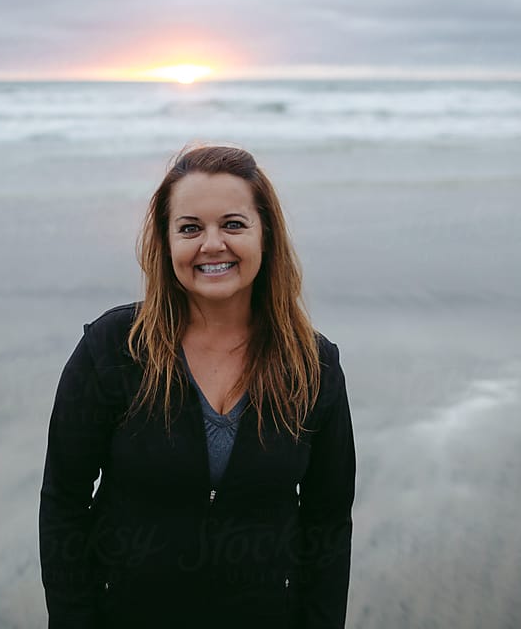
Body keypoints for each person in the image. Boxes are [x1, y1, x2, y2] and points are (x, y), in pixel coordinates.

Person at [39, 144, 356, 629]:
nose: (212, 245)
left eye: (233, 224)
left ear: (265, 236)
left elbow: (328, 524)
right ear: (166, 243)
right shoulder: (112, 350)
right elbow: (63, 502)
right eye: (190, 228)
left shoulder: (312, 365)